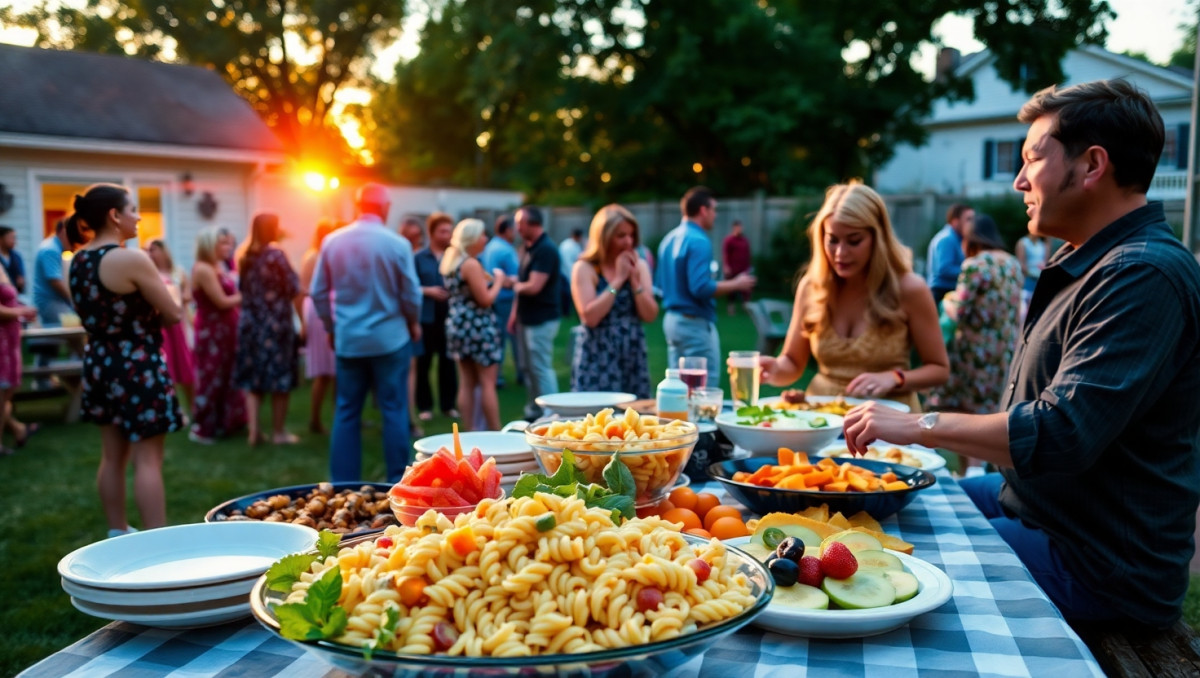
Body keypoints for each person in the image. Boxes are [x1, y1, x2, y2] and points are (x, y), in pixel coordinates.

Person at [844, 79, 1200, 630]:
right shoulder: (1091, 260)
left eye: (1033, 158)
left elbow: (1062, 431)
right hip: (1034, 505)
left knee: (888, 569)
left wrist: (917, 425)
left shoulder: (1142, 275)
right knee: (889, 507)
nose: (1018, 180)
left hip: (1094, 561)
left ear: (1092, 165)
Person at [753, 182, 949, 413]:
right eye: (832, 240)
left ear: (878, 237)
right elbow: (793, 362)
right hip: (822, 420)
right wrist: (774, 369)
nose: (841, 253)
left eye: (854, 241)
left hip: (889, 420)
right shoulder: (812, 286)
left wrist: (895, 377)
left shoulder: (909, 289)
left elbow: (939, 370)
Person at [64, 184, 184, 538]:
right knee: (148, 459)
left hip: (99, 363)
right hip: (137, 364)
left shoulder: (77, 260)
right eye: (133, 210)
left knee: (112, 456)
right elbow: (174, 313)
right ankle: (157, 541)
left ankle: (117, 532)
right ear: (114, 216)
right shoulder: (131, 259)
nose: (138, 217)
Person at [311, 183, 422, 483]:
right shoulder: (397, 243)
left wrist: (331, 327)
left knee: (346, 412)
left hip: (349, 340)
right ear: (385, 208)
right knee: (394, 409)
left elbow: (318, 292)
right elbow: (411, 294)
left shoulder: (333, 241)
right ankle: (397, 482)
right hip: (390, 339)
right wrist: (414, 322)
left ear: (358, 205)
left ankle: (343, 484)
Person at [927, 213, 1022, 474]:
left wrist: (947, 299)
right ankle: (978, 472)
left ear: (971, 238)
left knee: (966, 416)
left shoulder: (975, 265)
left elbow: (959, 310)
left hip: (974, 354)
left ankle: (971, 473)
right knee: (988, 414)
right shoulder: (1012, 263)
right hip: (1003, 352)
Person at [657, 187, 756, 386]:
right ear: (703, 210)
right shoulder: (699, 240)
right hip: (693, 324)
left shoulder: (668, 239)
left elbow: (659, 285)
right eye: (714, 209)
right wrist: (736, 284)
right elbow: (700, 288)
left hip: (671, 321)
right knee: (702, 389)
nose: (715, 215)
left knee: (678, 388)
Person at [570, 204, 658, 399]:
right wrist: (618, 280)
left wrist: (634, 282)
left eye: (631, 235)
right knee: (596, 411)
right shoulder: (585, 268)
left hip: (632, 351)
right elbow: (590, 317)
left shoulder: (639, 266)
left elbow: (650, 314)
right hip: (597, 353)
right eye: (621, 236)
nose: (628, 242)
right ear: (604, 237)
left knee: (635, 412)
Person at [234, 213, 302, 446]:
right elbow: (293, 287)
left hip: (250, 324)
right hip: (275, 325)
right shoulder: (276, 255)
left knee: (254, 377)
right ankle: (279, 432)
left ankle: (254, 431)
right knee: (280, 378)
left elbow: (242, 288)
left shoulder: (245, 256)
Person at [441, 218, 507, 431]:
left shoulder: (452, 261)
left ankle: (470, 430)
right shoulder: (470, 264)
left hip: (457, 326)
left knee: (467, 382)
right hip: (477, 327)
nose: (485, 239)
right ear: (471, 239)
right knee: (488, 382)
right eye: (482, 235)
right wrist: (499, 281)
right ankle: (496, 432)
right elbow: (485, 300)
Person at [190, 227, 246, 444]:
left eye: (228, 243)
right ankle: (205, 428)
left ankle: (227, 422)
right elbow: (221, 302)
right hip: (212, 331)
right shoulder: (204, 269)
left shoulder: (219, 266)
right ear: (210, 245)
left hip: (226, 329)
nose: (228, 247)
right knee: (212, 376)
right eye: (222, 243)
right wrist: (247, 294)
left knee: (228, 375)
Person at [507, 206, 562, 420]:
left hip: (541, 319)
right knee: (528, 368)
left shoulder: (545, 249)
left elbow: (534, 286)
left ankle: (554, 415)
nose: (517, 228)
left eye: (520, 223)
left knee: (540, 368)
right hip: (527, 318)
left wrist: (513, 284)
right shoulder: (529, 248)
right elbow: (525, 283)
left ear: (533, 223)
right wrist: (514, 314)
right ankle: (534, 411)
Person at [414, 212, 458, 422]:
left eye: (449, 231)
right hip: (427, 317)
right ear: (431, 233)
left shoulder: (455, 256)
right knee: (424, 363)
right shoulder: (419, 258)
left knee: (448, 363)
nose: (447, 235)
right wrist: (427, 291)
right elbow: (409, 286)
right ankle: (425, 406)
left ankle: (448, 405)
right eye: (443, 231)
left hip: (449, 316)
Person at [146, 239, 195, 421]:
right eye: (149, 250)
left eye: (153, 249)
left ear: (163, 251)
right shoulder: (150, 273)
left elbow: (189, 294)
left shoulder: (178, 272)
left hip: (180, 325)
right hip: (162, 327)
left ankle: (194, 409)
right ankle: (177, 410)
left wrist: (176, 295)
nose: (150, 253)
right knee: (169, 369)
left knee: (186, 367)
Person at [299, 219, 339, 435]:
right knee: (324, 371)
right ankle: (315, 419)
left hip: (325, 310)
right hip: (319, 313)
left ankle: (339, 417)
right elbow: (306, 290)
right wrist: (302, 322)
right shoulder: (315, 257)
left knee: (335, 372)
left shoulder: (319, 255)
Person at [0, 263, 37, 455]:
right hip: (2, 341)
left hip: (9, 338)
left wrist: (21, 309)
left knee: (6, 393)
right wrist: (21, 312)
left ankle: (16, 429)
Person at [481, 213, 520, 388]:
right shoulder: (505, 250)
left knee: (497, 338)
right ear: (508, 230)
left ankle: (497, 375)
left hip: (493, 298)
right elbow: (514, 277)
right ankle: (518, 374)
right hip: (506, 299)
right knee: (512, 338)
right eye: (514, 229)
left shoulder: (489, 246)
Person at [925, 204, 975, 304]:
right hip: (942, 292)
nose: (973, 223)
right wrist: (971, 271)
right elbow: (945, 269)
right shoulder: (947, 239)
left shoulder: (957, 238)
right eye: (968, 219)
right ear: (955, 221)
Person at [1014, 232, 1048, 319]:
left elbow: (1045, 262)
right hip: (1027, 280)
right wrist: (1031, 272)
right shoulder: (1023, 243)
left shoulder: (1042, 244)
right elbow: (1020, 264)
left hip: (1039, 281)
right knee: (1023, 312)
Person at [722, 219, 752, 315]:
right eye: (738, 227)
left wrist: (748, 267)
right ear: (734, 228)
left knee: (746, 289)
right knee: (732, 290)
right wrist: (726, 266)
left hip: (743, 269)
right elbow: (726, 254)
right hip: (732, 269)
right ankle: (731, 306)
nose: (739, 229)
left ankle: (746, 306)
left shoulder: (744, 241)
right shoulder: (729, 240)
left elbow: (747, 255)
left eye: (740, 227)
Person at [558, 228, 584, 316]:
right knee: (566, 293)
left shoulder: (574, 245)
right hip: (566, 273)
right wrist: (574, 273)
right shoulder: (568, 246)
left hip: (570, 272)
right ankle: (565, 312)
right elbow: (567, 263)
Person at [0, 226, 26, 294]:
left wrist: (21, 282)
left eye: (14, 238)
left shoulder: (16, 257)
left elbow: (21, 277)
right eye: (10, 238)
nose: (14, 241)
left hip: (15, 294)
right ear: (1, 239)